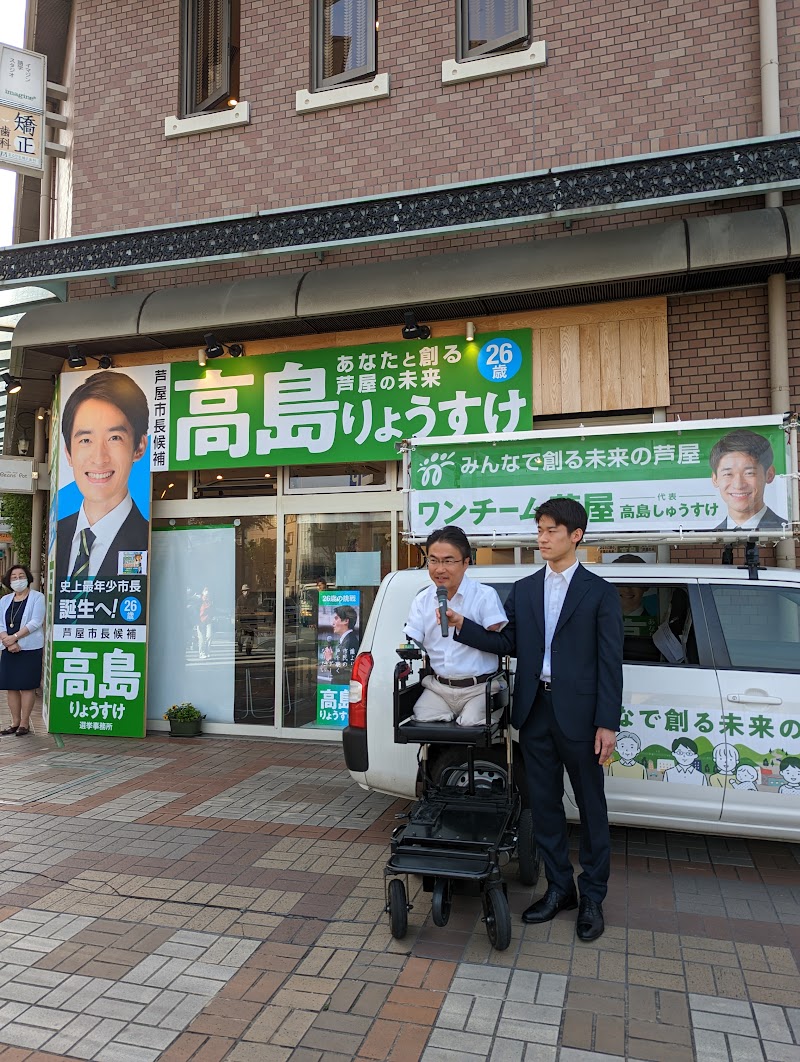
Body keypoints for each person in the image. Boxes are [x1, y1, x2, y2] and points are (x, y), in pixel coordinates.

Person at [447, 498, 623, 941]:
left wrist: (607, 723)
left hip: (582, 717)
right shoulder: (525, 589)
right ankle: (559, 888)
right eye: (539, 530)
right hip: (535, 711)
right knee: (544, 807)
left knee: (591, 807)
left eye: (551, 531)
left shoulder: (599, 592)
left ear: (575, 536)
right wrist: (462, 625)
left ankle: (593, 897)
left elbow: (610, 663)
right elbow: (508, 642)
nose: (542, 538)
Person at [403, 526, 507, 727]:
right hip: (439, 687)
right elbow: (416, 640)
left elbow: (499, 642)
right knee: (423, 718)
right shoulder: (422, 600)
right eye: (433, 560)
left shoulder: (484, 596)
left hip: (480, 687)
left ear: (466, 562)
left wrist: (461, 623)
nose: (439, 569)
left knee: (470, 725)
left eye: (448, 561)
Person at [55, 371, 149, 584]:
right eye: (86, 440)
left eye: (114, 438)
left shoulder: (148, 539)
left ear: (139, 447)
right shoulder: (57, 535)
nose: (99, 458)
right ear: (68, 453)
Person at [0, 565, 46, 737]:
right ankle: (14, 722)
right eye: (13, 577)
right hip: (8, 648)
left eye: (21, 576)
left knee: (26, 686)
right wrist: (8, 640)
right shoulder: (4, 600)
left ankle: (24, 724)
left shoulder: (37, 597)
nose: (17, 579)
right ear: (8, 581)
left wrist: (15, 637)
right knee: (11, 686)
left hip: (30, 648)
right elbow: (1, 624)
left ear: (27, 577)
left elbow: (35, 622)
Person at [710, 428, 785, 530]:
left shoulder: (785, 528)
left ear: (769, 474)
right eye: (728, 474)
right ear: (715, 479)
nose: (738, 485)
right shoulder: (711, 534)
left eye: (749, 473)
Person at [332, 605, 360, 670]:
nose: (333, 623)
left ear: (346, 621)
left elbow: (342, 670)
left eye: (336, 618)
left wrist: (329, 659)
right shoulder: (345, 639)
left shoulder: (350, 641)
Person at [237, 583, 256, 654]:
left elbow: (254, 609)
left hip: (250, 620)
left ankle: (248, 651)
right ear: (242, 591)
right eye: (245, 591)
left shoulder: (252, 599)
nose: (246, 592)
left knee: (250, 636)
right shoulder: (239, 599)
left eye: (247, 590)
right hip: (242, 620)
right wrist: (238, 618)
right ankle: (240, 648)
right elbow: (238, 609)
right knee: (240, 635)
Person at [197, 587, 213, 659]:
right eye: (205, 591)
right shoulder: (199, 600)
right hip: (200, 621)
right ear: (203, 593)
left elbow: (213, 610)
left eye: (208, 591)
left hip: (208, 621)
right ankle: (201, 653)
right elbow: (196, 611)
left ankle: (207, 651)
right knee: (201, 638)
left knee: (209, 636)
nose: (207, 592)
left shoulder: (210, 601)